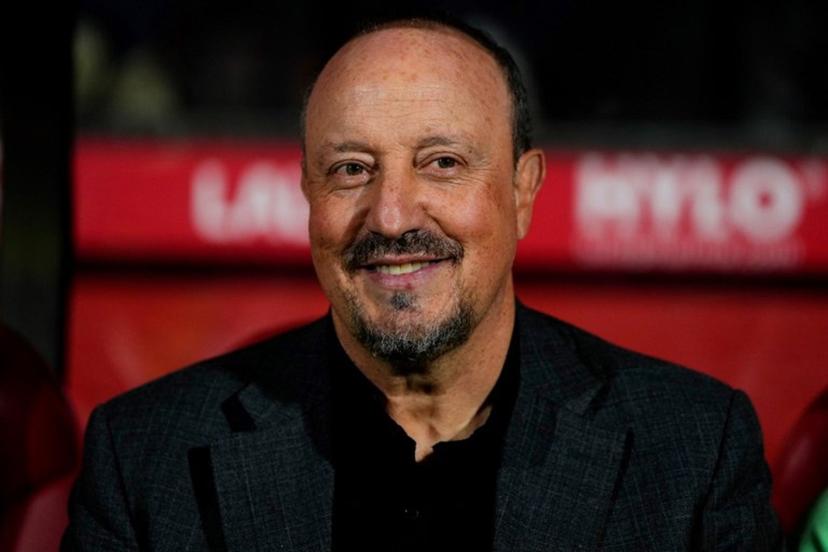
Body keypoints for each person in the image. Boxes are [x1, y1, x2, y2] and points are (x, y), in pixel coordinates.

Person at [63, 16, 785, 551]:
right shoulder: (145, 457)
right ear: (308, 194)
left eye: (441, 162)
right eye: (351, 169)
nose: (393, 214)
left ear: (523, 190)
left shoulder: (693, 450)